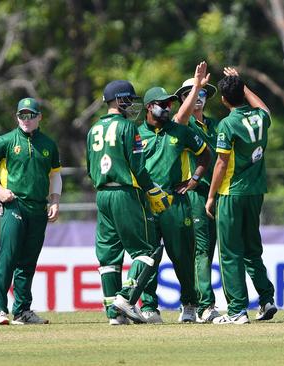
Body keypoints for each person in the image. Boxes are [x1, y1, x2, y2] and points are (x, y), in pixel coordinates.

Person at [86, 80, 173, 325]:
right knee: (147, 250)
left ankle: (114, 315)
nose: (132, 104)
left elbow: (89, 168)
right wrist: (152, 191)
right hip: (125, 193)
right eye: (129, 99)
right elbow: (137, 166)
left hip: (102, 194)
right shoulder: (128, 127)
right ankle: (125, 299)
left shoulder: (93, 129)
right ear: (118, 99)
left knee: (109, 256)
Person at [0, 97, 62, 325]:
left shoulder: (48, 144)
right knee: (9, 255)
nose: (26, 119)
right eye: (22, 115)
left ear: (39, 117)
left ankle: (23, 311)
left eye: (30, 115)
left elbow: (55, 175)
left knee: (28, 261)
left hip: (38, 207)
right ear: (17, 117)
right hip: (14, 204)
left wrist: (54, 200)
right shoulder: (5, 141)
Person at [205, 68, 277, 325]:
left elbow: (221, 164)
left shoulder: (227, 124)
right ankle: (266, 299)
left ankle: (237, 310)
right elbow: (266, 109)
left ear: (224, 99)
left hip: (231, 193)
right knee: (251, 250)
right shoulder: (259, 117)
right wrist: (243, 84)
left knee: (229, 253)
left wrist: (211, 196)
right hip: (256, 192)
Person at [138, 82, 211, 324]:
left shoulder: (180, 131)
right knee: (149, 257)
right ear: (149, 107)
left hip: (175, 202)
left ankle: (189, 304)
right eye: (162, 104)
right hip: (147, 204)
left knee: (182, 256)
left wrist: (194, 180)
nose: (168, 107)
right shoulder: (137, 134)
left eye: (170, 103)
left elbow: (205, 155)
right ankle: (149, 307)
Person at [173, 61, 221, 323]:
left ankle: (191, 303)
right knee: (198, 250)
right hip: (192, 193)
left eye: (202, 93)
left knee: (207, 251)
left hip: (214, 196)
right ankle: (203, 305)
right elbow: (180, 117)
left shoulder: (215, 126)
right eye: (191, 94)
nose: (198, 98)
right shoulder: (182, 125)